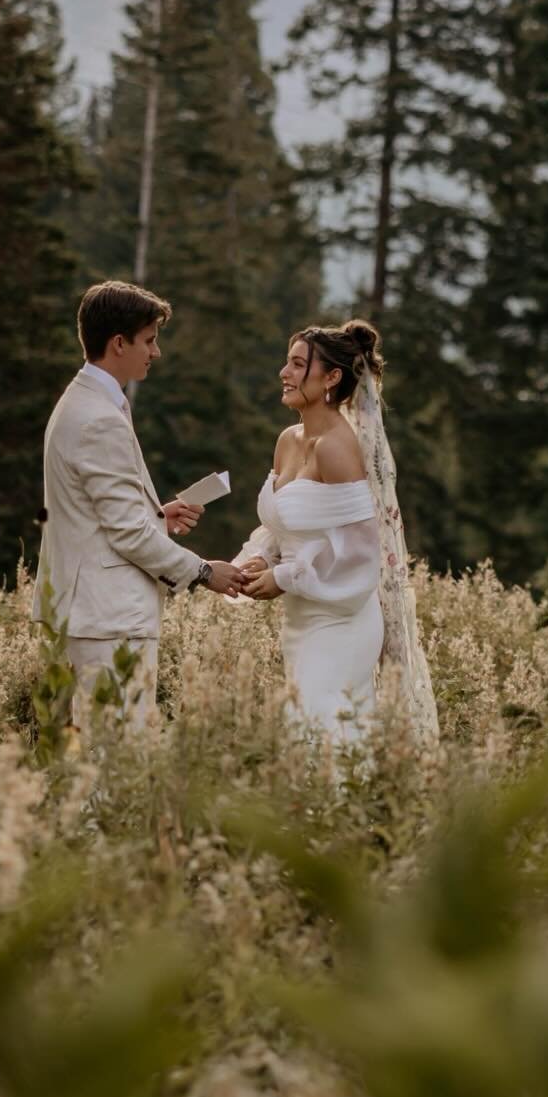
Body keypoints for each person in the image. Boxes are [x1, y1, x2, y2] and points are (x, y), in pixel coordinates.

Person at [32, 280, 246, 733]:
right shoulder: (98, 419)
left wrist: (157, 514)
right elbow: (127, 534)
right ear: (118, 343)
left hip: (95, 612)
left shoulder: (85, 403)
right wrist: (205, 572)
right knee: (118, 761)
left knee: (107, 757)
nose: (156, 352)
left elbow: (105, 514)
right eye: (149, 340)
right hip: (109, 619)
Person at [237, 320, 438, 747]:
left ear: (331, 378)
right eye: (286, 363)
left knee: (327, 735)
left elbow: (360, 554)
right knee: (303, 732)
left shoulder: (336, 446)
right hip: (303, 618)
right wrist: (263, 558)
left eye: (296, 364)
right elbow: (286, 522)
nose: (284, 373)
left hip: (341, 619)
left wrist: (284, 577)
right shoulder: (288, 441)